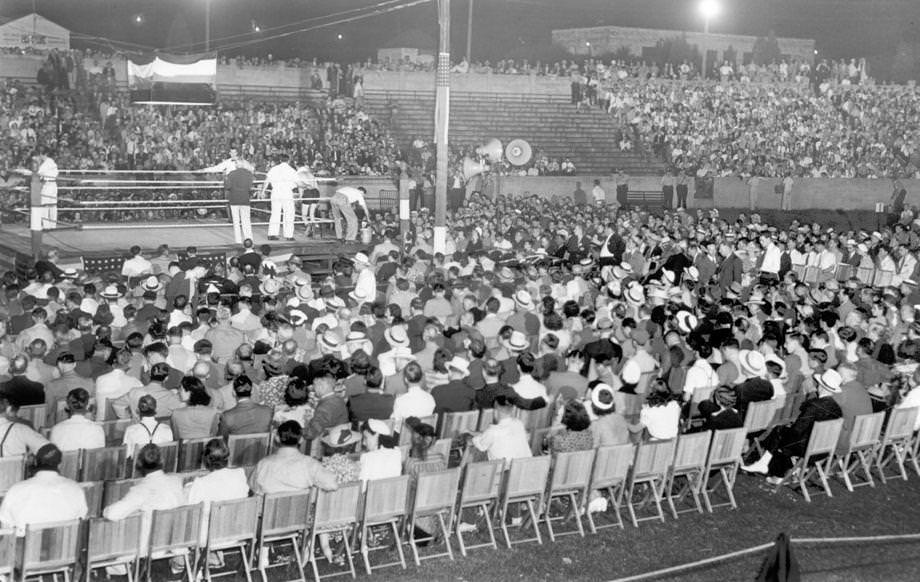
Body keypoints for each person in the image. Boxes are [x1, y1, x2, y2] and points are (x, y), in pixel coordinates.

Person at [741, 369, 844, 485]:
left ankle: (773, 470)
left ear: (821, 386)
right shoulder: (838, 410)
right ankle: (765, 463)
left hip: (806, 448)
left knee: (780, 433)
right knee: (782, 433)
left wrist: (788, 427)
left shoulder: (814, 405)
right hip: (823, 450)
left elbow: (797, 430)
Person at [0, 444, 87, 535]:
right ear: (60, 464)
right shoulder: (76, 489)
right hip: (67, 547)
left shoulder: (16, 490)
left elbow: (5, 526)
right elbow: (81, 519)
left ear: (36, 462)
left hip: (24, 546)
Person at [250, 421, 339, 494]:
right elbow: (332, 485)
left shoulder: (263, 464)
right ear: (301, 439)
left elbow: (253, 489)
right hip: (301, 514)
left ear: (277, 438)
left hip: (267, 514)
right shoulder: (309, 464)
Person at [259, 152, 299, 241]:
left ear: (280, 160)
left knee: (275, 213)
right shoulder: (292, 170)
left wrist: (263, 192)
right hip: (287, 193)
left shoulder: (274, 169)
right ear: (288, 161)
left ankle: (272, 234)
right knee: (289, 213)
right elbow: (297, 183)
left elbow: (267, 180)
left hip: (276, 192)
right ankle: (289, 235)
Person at [226, 159, 255, 244]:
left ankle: (238, 241)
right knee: (246, 220)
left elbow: (227, 186)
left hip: (234, 199)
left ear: (236, 165)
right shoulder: (249, 174)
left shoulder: (231, 174)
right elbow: (250, 187)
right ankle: (249, 239)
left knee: (236, 221)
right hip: (245, 198)